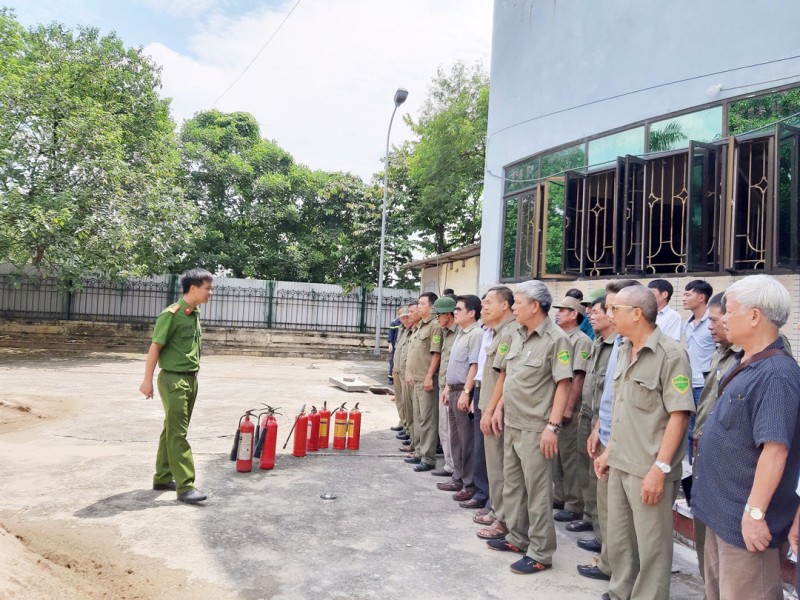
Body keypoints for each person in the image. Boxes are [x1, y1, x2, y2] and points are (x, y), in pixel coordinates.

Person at [692, 275, 800, 600]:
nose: (723, 317)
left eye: (731, 310)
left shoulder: (777, 374)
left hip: (744, 528)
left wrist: (754, 515)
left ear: (754, 316)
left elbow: (775, 449)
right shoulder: (744, 362)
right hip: (719, 514)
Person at [595, 284, 694, 600]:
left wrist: (660, 468)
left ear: (636, 314)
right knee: (621, 537)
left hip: (649, 466)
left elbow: (678, 416)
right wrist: (608, 450)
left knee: (653, 545)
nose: (610, 315)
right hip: (621, 460)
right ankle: (621, 590)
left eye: (616, 310)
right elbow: (625, 407)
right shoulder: (625, 349)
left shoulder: (671, 355)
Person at [486, 280, 572, 576]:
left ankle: (540, 552)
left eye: (518, 303)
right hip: (512, 422)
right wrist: (497, 408)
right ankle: (517, 537)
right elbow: (507, 376)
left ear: (535, 306)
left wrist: (552, 426)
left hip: (537, 428)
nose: (513, 308)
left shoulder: (556, 339)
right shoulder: (518, 335)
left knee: (537, 493)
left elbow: (564, 385)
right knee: (514, 486)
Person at [581, 279, 640, 586]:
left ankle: (620, 571)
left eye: (614, 307)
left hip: (627, 444)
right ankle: (608, 560)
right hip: (605, 431)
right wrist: (598, 428)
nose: (607, 312)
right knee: (606, 504)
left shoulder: (641, 348)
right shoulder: (618, 343)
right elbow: (609, 393)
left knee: (621, 515)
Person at [139, 268, 213, 505]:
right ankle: (186, 486)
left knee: (171, 429)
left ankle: (162, 477)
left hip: (190, 379)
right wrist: (147, 380)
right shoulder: (171, 314)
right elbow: (155, 348)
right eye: (207, 288)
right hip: (174, 380)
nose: (210, 292)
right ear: (193, 288)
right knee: (178, 433)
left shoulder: (194, 313)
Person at [689, 292, 737, 580]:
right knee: (703, 525)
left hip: (726, 460)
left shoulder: (755, 359)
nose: (710, 327)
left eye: (716, 320)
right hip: (704, 450)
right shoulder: (722, 351)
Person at [573, 295, 614, 566]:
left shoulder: (617, 346)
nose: (591, 315)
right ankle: (595, 527)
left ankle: (605, 540)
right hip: (590, 415)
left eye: (597, 311)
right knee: (589, 473)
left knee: (602, 479)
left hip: (605, 420)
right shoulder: (598, 344)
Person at [476, 286, 517, 540]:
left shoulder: (510, 333)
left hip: (499, 411)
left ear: (505, 305)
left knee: (502, 468)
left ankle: (503, 519)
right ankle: (497, 510)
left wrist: (493, 409)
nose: (484, 307)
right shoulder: (496, 332)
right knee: (494, 466)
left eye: (489, 302)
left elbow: (507, 376)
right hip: (488, 405)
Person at [551, 296, 593, 526]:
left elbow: (578, 376)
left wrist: (568, 407)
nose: (558, 314)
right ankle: (559, 496)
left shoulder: (581, 341)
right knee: (556, 455)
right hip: (556, 405)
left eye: (564, 310)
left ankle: (574, 503)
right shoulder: (561, 337)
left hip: (571, 406)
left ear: (574, 314)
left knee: (570, 457)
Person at [438, 295, 483, 503]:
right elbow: (453, 364)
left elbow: (474, 366)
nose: (454, 312)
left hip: (464, 391)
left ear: (472, 313)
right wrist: (447, 387)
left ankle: (469, 482)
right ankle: (457, 476)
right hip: (453, 389)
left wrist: (466, 392)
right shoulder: (461, 333)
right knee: (455, 439)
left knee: (467, 441)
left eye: (459, 309)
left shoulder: (476, 334)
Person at [682, 279, 716, 504]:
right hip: (687, 384)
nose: (683, 298)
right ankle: (690, 483)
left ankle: (702, 484)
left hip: (703, 387)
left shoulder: (712, 325)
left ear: (701, 297)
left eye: (688, 294)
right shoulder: (688, 323)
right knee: (687, 433)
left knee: (700, 435)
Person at [403, 292, 443, 472]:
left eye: (422, 304)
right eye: (418, 303)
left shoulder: (434, 326)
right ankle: (419, 451)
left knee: (428, 419)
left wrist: (428, 376)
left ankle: (428, 457)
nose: (419, 307)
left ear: (432, 307)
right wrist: (410, 372)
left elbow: (436, 354)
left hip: (427, 380)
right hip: (416, 379)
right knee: (419, 418)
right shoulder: (420, 326)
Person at [431, 296, 458, 478]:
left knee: (452, 431)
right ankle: (450, 465)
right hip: (444, 385)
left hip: (454, 388)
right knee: (444, 429)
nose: (437, 319)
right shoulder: (446, 332)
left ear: (448, 314)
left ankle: (455, 467)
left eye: (439, 315)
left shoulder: (460, 334)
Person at [391, 306, 412, 442]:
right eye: (401, 317)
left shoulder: (413, 330)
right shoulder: (401, 329)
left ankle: (407, 427)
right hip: (397, 369)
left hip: (406, 372)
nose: (404, 319)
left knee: (406, 402)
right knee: (399, 399)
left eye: (406, 316)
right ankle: (402, 422)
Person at [387, 307, 404, 384]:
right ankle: (391, 377)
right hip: (395, 346)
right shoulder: (394, 322)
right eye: (400, 314)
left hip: (403, 345)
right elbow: (391, 334)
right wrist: (390, 344)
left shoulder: (406, 322)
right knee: (393, 361)